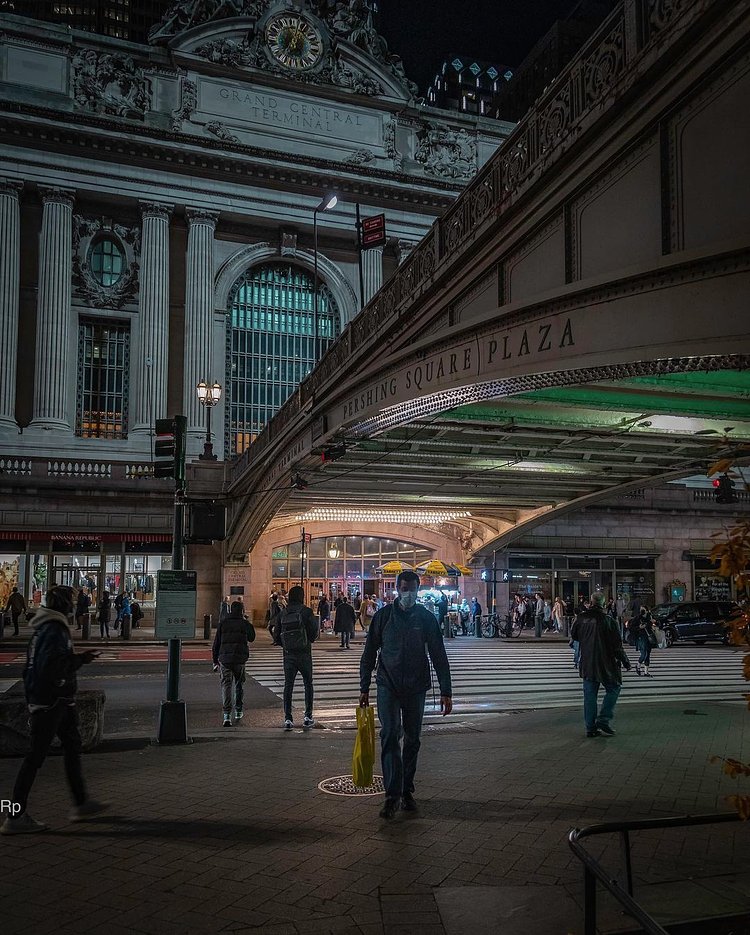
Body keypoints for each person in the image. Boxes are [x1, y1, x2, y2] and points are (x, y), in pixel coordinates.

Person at [0, 586, 107, 835]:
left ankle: (81, 802)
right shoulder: (55, 629)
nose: (73, 604)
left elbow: (35, 666)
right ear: (61, 604)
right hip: (52, 700)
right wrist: (79, 661)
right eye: (69, 600)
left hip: (55, 698)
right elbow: (52, 665)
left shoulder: (45, 627)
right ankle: (15, 815)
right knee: (35, 756)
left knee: (72, 746)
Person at [360, 570, 452, 819]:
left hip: (416, 687)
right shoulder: (383, 617)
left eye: (412, 589)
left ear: (417, 590)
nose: (407, 593)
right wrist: (364, 686)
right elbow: (369, 652)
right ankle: (392, 795)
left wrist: (446, 690)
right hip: (387, 685)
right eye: (403, 588)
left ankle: (406, 788)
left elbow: (438, 654)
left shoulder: (425, 618)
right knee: (390, 735)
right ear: (397, 589)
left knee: (413, 739)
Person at [570, 592, 631, 738]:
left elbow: (575, 636)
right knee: (614, 688)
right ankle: (604, 719)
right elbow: (617, 646)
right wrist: (626, 662)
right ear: (603, 604)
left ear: (590, 602)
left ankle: (590, 728)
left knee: (590, 696)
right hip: (607, 663)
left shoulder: (580, 619)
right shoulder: (609, 621)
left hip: (588, 663)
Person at [278, 585, 318, 729]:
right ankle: (308, 716)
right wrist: (307, 640)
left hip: (288, 655)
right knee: (308, 684)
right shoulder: (306, 611)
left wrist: (285, 644)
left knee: (288, 685)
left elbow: (277, 634)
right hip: (304, 653)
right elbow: (314, 632)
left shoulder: (284, 612)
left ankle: (288, 718)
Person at [212, 600, 255, 727]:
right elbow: (252, 637)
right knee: (239, 685)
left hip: (225, 658)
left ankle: (226, 715)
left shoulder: (223, 623)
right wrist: (247, 622)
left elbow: (216, 644)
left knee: (226, 685)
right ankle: (238, 710)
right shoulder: (244, 623)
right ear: (242, 611)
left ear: (230, 610)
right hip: (239, 659)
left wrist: (215, 660)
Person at [634, 608, 656, 677]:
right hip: (641, 637)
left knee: (648, 654)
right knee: (644, 654)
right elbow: (631, 627)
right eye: (641, 609)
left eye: (644, 609)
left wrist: (654, 622)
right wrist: (639, 627)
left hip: (649, 637)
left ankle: (646, 672)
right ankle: (638, 665)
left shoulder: (650, 617)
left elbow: (657, 623)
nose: (643, 611)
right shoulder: (637, 618)